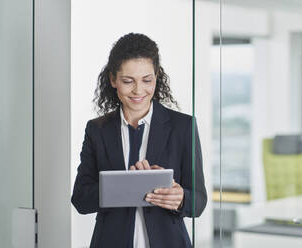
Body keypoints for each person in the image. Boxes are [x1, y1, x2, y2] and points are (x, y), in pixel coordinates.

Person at [71, 33, 207, 248]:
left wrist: (180, 198)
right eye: (128, 81)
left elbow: (199, 202)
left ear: (157, 77)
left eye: (147, 80)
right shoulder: (97, 130)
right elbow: (80, 200)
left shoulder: (184, 126)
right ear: (113, 79)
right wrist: (122, 186)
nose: (138, 90)